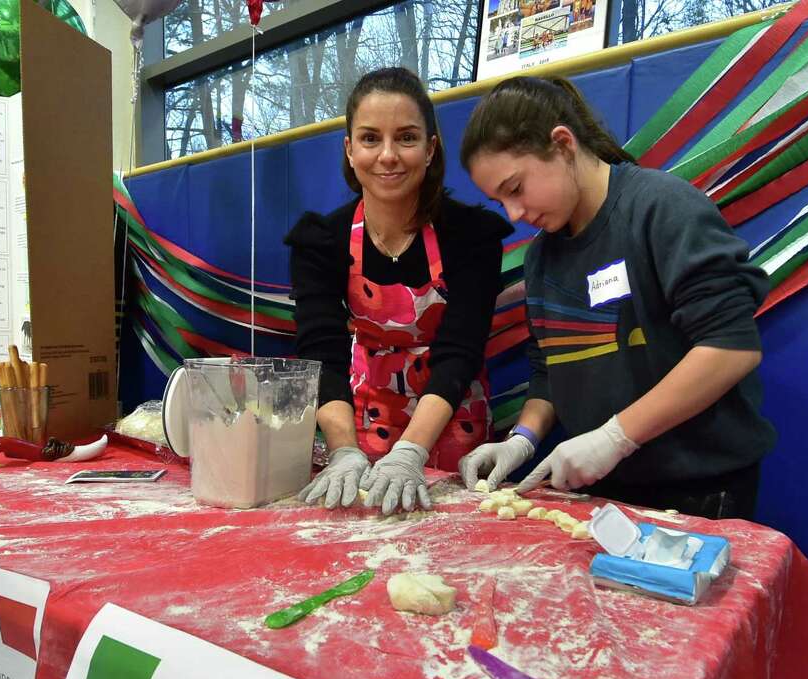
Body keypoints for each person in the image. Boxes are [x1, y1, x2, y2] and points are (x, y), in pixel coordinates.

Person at [457, 76, 776, 520]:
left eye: (516, 188)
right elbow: (549, 371)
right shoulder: (543, 257)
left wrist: (616, 437)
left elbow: (730, 348)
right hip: (604, 494)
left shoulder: (662, 208)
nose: (515, 214)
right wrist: (522, 439)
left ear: (563, 144)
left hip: (699, 492)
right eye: (500, 202)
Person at [286, 67, 513, 515]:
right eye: (370, 139)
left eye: (406, 138)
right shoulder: (320, 242)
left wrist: (411, 454)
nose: (388, 155)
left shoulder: (471, 236)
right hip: (361, 422)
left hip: (452, 422)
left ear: (430, 149)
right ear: (350, 151)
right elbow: (321, 354)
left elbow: (460, 352)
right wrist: (343, 451)